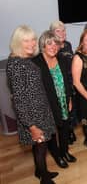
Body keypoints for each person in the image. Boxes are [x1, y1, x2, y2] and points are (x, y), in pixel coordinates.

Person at [6, 25, 57, 184]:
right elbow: (19, 101)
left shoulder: (21, 59)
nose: (32, 44)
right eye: (26, 41)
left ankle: (40, 171)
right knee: (41, 148)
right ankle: (45, 179)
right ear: (17, 42)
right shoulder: (16, 65)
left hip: (39, 111)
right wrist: (32, 127)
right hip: (33, 117)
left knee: (39, 147)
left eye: (33, 40)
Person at [32, 30, 77, 169]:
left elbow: (68, 82)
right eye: (48, 43)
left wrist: (69, 99)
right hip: (46, 106)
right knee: (51, 133)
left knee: (64, 128)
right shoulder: (35, 63)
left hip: (63, 101)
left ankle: (64, 151)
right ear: (42, 46)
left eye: (55, 43)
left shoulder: (62, 59)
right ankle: (57, 155)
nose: (53, 47)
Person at [49, 20, 77, 145]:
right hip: (60, 83)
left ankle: (70, 130)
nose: (62, 33)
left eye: (63, 30)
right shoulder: (51, 47)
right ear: (52, 33)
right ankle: (64, 134)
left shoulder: (68, 45)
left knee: (71, 108)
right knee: (62, 109)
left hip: (71, 81)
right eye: (58, 31)